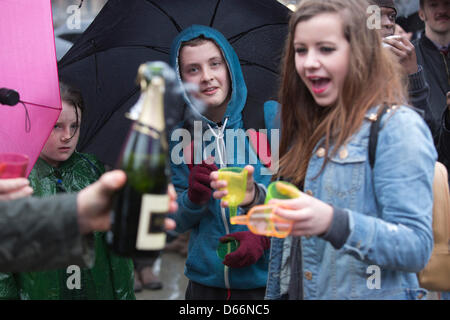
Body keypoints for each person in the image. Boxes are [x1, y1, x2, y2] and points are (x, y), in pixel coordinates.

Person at [211, 0, 436, 300]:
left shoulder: (396, 128)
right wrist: (257, 198)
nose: (309, 62)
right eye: (301, 50)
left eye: (326, 49)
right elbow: (305, 212)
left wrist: (332, 222)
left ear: (359, 53)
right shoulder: (309, 125)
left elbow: (415, 247)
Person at [0, 82, 136, 300]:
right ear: (34, 125)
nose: (68, 136)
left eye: (75, 126)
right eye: (57, 126)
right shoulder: (16, 178)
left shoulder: (92, 169)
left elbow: (117, 252)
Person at [168, 25, 275, 300]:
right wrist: (192, 200)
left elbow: (297, 197)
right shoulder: (182, 138)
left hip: (265, 286)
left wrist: (263, 238)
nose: (207, 77)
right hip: (204, 287)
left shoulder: (268, 118)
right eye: (193, 69)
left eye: (215, 64)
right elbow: (170, 225)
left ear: (230, 66)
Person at [414, 0, 450, 180]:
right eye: (434, 5)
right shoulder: (409, 56)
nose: (442, 10)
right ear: (421, 13)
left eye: (447, 3)